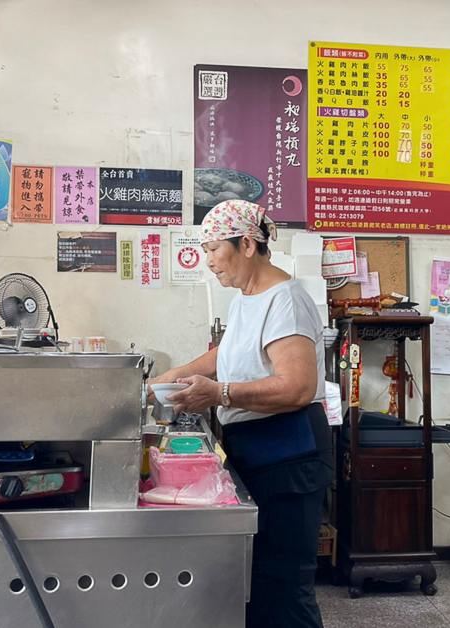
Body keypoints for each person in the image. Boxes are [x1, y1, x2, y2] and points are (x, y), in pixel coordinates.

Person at [148, 199, 333, 627]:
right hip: (258, 452)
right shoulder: (247, 299)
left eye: (214, 248)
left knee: (283, 585)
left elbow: (297, 387)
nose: (208, 260)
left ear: (247, 244)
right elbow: (224, 357)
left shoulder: (284, 299)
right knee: (257, 582)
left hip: (289, 455)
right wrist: (162, 381)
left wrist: (219, 394)